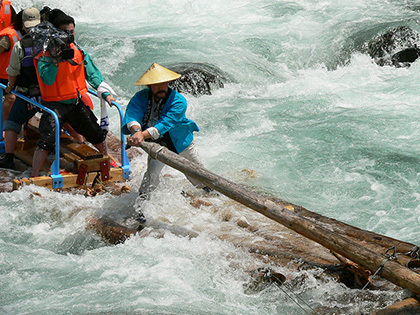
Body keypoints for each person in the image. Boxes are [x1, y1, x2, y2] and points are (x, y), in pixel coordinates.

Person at [122, 63, 209, 222]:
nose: (161, 87)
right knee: (151, 177)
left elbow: (165, 124)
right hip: (157, 145)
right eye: (156, 84)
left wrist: (141, 135)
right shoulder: (140, 98)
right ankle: (140, 211)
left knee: (198, 175)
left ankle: (212, 196)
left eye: (163, 83)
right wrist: (136, 131)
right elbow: (132, 115)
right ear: (149, 86)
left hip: (180, 142)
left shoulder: (178, 101)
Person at [31, 18, 115, 177]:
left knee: (95, 132)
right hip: (54, 105)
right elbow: (47, 80)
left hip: (75, 102)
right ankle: (34, 175)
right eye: (65, 32)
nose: (69, 35)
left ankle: (108, 160)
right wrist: (55, 60)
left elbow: (93, 75)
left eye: (72, 31)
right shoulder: (44, 55)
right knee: (47, 139)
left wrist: (105, 93)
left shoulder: (79, 52)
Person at [0, 7, 41, 169]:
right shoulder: (50, 41)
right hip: (47, 91)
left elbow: (13, 71)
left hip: (24, 89)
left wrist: (10, 86)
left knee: (12, 123)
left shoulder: (19, 44)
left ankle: (8, 158)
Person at [0, 9, 21, 121]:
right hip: (2, 75)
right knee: (11, 97)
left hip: (11, 74)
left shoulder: (7, 7)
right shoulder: (7, 38)